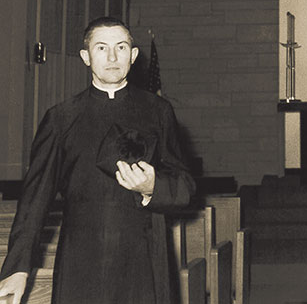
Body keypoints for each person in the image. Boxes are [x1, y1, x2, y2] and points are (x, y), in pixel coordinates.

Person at [0, 17, 195, 304]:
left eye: (121, 47)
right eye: (101, 48)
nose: (113, 57)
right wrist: (17, 268)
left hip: (143, 260)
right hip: (82, 261)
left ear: (134, 55)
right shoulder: (61, 118)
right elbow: (34, 200)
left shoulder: (158, 111)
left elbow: (186, 186)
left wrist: (153, 186)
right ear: (86, 57)